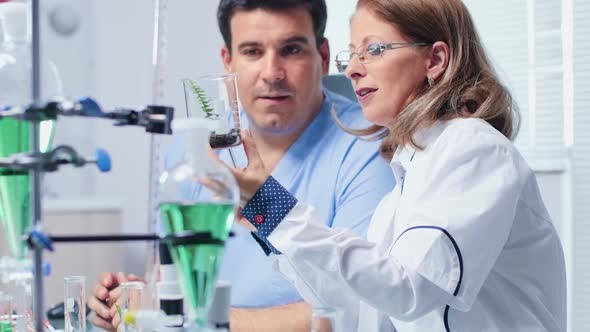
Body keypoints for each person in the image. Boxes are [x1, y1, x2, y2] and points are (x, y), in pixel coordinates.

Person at [227, 0, 568, 331]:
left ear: (434, 60)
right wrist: (267, 214)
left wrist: (275, 206)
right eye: (353, 53)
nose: (352, 69)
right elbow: (359, 306)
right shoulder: (408, 177)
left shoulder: (473, 147)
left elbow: (410, 290)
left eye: (373, 50)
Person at [88, 0, 396, 331]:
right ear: (228, 61)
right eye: (252, 51)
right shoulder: (190, 155)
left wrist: (191, 320)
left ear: (323, 56)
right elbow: (169, 278)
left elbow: (357, 309)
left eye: (291, 49)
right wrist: (131, 302)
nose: (272, 73)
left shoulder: (370, 147)